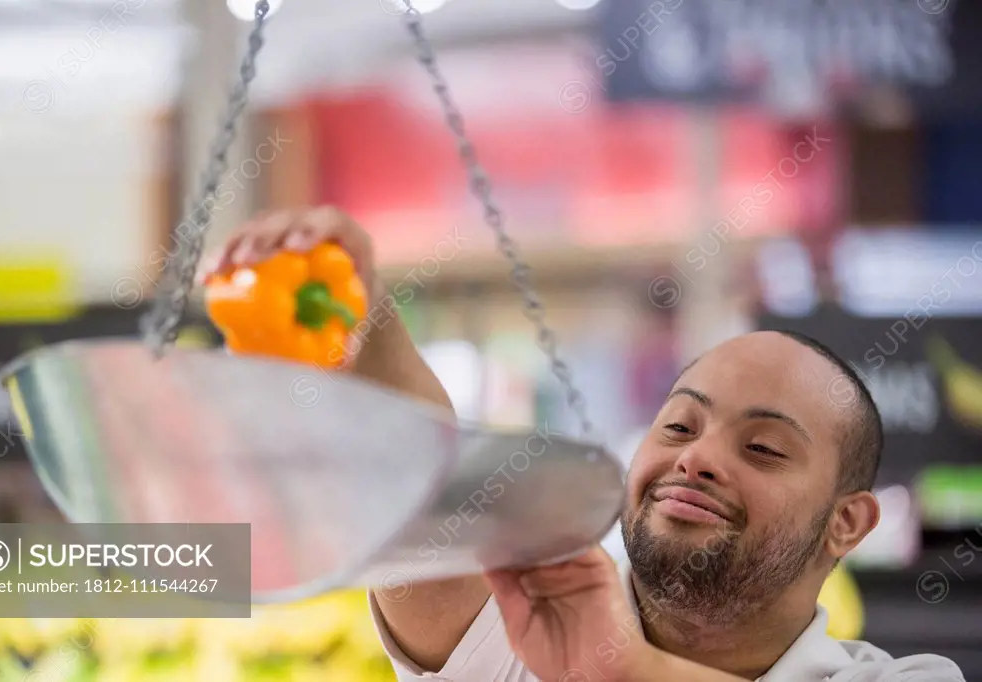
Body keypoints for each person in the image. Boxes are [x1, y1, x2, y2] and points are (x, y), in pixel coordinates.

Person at [202, 207, 966, 682]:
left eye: (763, 448)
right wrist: (357, 316)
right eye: (678, 425)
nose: (697, 457)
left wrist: (617, 668)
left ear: (849, 521)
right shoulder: (514, 640)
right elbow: (410, 478)